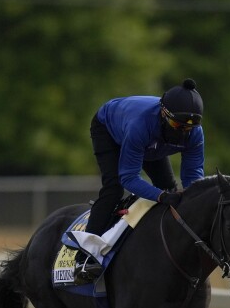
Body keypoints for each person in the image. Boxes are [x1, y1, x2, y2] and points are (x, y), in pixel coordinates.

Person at [73, 78, 205, 282]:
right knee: (114, 190)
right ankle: (85, 256)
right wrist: (160, 196)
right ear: (164, 114)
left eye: (188, 129)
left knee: (170, 190)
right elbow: (129, 177)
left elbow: (193, 177)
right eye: (177, 125)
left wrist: (192, 200)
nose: (182, 132)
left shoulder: (194, 133)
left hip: (153, 141)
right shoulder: (140, 125)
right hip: (109, 129)